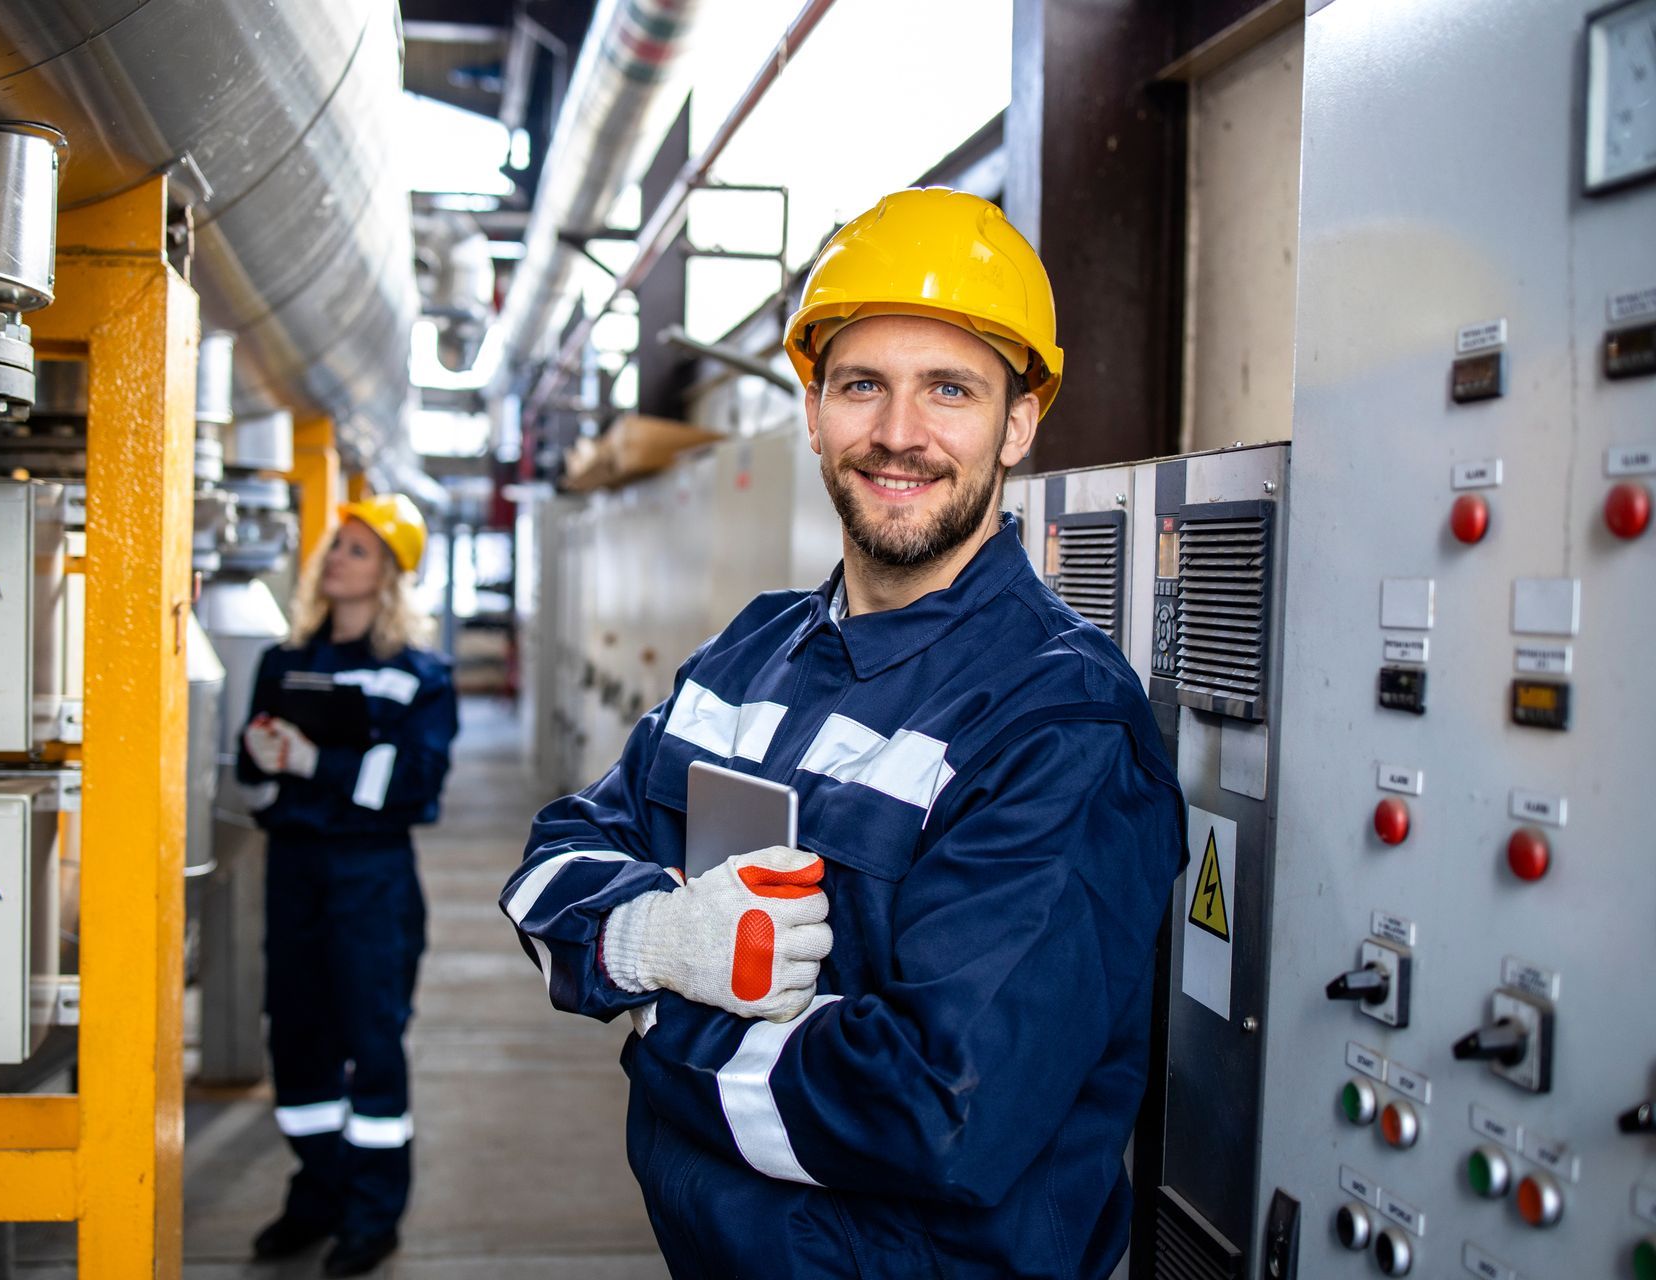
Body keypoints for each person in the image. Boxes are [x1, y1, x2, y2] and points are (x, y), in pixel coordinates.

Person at [499, 187, 1186, 1278]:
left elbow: (932, 1110)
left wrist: (652, 1022)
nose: (898, 434)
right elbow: (548, 868)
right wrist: (657, 942)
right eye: (862, 384)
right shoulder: (754, 652)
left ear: (1018, 422)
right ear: (814, 411)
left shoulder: (1061, 721)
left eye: (949, 390)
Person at [238, 493, 458, 1278]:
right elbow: (252, 786)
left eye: (359, 550)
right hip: (293, 869)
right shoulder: (283, 660)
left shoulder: (418, 675)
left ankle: (374, 1214)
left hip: (372, 879)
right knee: (296, 1038)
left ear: (391, 576)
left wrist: (313, 765)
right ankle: (316, 1196)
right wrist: (262, 761)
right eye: (336, 546)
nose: (337, 559)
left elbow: (417, 784)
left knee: (371, 1043)